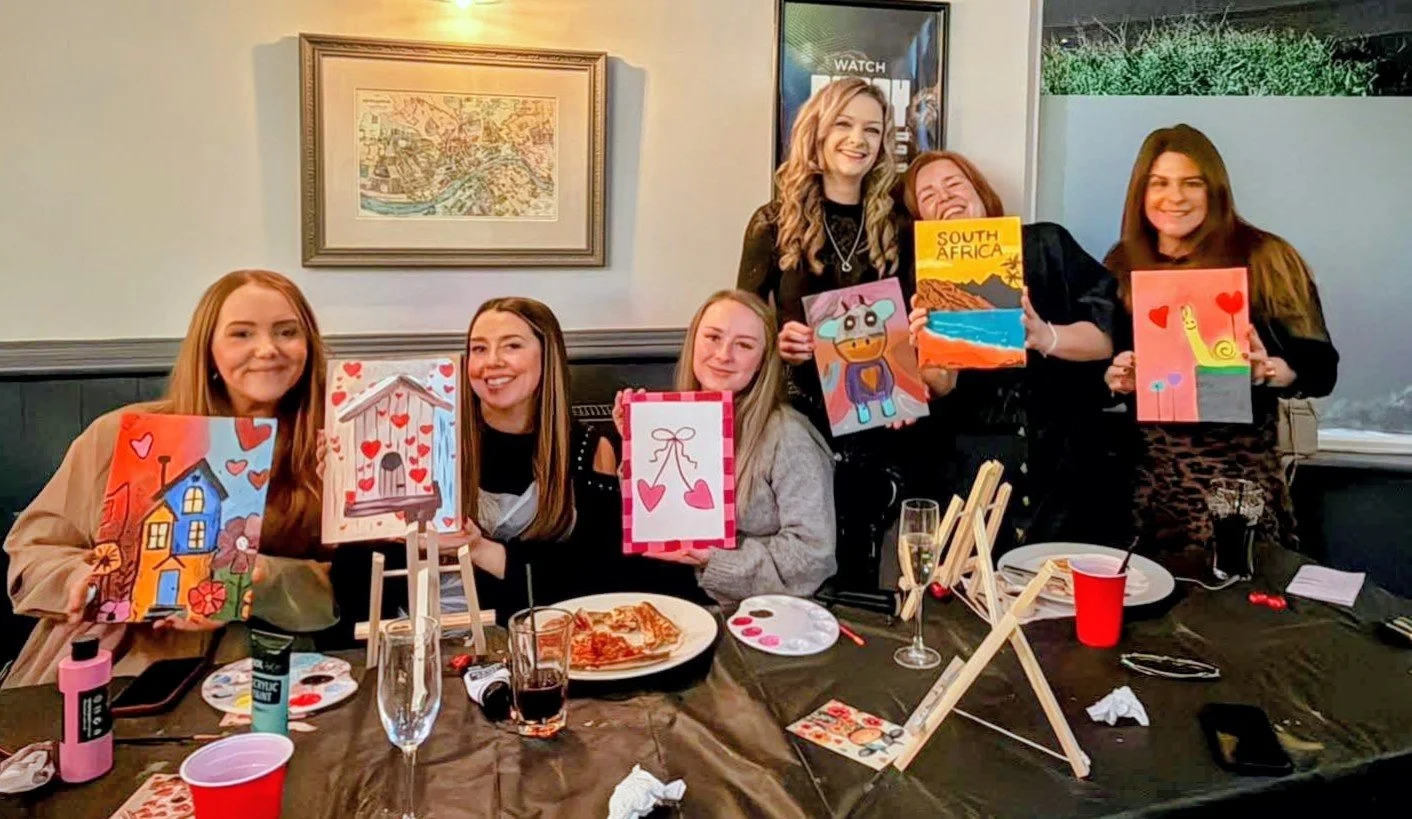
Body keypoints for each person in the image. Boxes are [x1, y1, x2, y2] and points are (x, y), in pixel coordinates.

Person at [4, 270, 335, 688]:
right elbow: (32, 550)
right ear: (208, 349)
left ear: (308, 346)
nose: (268, 349)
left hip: (254, 665)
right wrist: (79, 579)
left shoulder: (326, 447)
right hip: (113, 657)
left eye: (287, 332)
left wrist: (264, 576)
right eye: (241, 334)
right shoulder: (121, 435)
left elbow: (341, 590)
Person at [1103, 124, 1338, 559]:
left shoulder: (1266, 257)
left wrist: (1271, 370)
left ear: (1215, 189)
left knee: (1239, 591)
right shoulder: (1122, 264)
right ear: (1140, 192)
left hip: (1237, 482)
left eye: (1192, 183)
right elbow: (1103, 367)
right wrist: (1116, 378)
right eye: (1160, 183)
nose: (1175, 197)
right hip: (1145, 485)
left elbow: (1322, 367)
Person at [737, 77, 914, 589]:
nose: (858, 140)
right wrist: (776, 340)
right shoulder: (772, 222)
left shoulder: (900, 225)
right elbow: (744, 322)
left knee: (863, 571)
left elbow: (915, 325)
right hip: (797, 420)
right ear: (817, 130)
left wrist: (911, 382)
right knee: (802, 567)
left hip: (878, 421)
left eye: (872, 130)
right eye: (844, 124)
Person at [900, 150, 1121, 551]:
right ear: (921, 220)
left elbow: (1108, 336)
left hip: (1064, 465)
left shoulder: (1046, 243)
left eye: (954, 184)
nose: (944, 197)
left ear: (980, 192)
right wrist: (930, 352)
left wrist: (1044, 336)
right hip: (977, 476)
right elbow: (941, 387)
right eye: (928, 196)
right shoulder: (921, 278)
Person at [447, 298, 701, 616]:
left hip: (552, 626)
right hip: (442, 620)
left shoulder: (589, 448)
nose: (492, 361)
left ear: (547, 355)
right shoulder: (439, 441)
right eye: (479, 349)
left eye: (512, 346)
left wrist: (481, 550)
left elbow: (593, 575)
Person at [613, 291, 837, 603]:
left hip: (752, 611)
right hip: (668, 593)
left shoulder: (789, 436)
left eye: (744, 345)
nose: (723, 355)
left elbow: (812, 556)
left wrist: (716, 559)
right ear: (693, 341)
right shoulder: (673, 421)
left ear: (762, 362)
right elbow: (659, 517)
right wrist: (638, 449)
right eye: (713, 337)